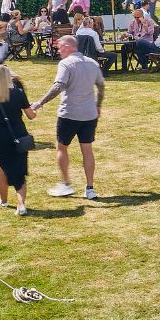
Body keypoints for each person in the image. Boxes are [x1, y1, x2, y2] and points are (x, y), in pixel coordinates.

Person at [28, 35, 105, 199]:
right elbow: (101, 86)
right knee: (87, 150)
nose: (58, 50)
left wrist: (40, 103)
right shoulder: (92, 63)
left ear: (69, 47)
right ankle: (90, 188)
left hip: (69, 114)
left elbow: (58, 86)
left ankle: (66, 184)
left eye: (60, 47)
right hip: (89, 114)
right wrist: (98, 106)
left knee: (62, 148)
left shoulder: (66, 64)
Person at [0, 62, 35, 216]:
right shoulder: (18, 93)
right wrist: (34, 108)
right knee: (20, 170)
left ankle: (4, 201)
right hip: (19, 134)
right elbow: (30, 115)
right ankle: (21, 204)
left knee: (2, 170)